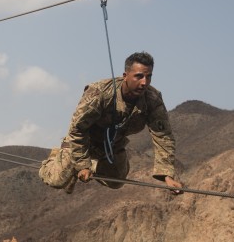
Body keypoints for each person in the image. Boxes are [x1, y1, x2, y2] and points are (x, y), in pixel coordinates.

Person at [39, 51, 183, 194]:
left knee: (116, 181)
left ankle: (90, 166)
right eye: (139, 76)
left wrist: (167, 176)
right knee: (57, 180)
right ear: (125, 76)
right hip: (83, 142)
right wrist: (82, 164)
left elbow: (163, 137)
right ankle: (56, 158)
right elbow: (78, 129)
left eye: (148, 77)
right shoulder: (99, 93)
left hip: (111, 147)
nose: (144, 82)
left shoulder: (153, 100)